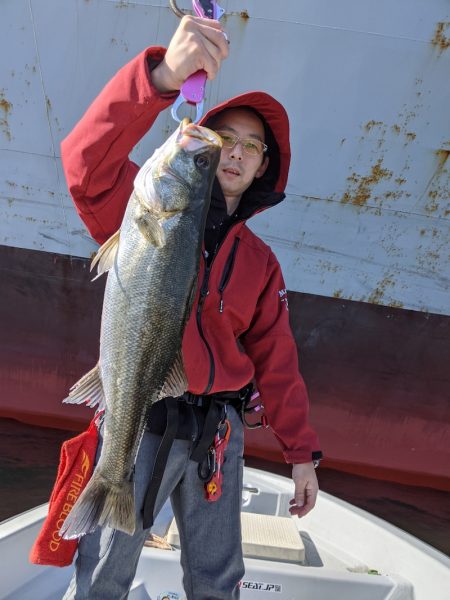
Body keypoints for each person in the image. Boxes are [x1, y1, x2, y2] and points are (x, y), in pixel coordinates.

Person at [60, 14, 322, 600]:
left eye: (252, 148)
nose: (234, 153)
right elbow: (84, 163)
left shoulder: (261, 263)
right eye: (224, 139)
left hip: (218, 436)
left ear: (263, 169)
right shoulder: (142, 213)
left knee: (217, 579)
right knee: (104, 574)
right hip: (142, 420)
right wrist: (161, 77)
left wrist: (301, 454)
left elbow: (277, 361)